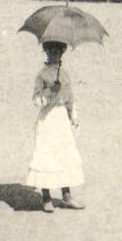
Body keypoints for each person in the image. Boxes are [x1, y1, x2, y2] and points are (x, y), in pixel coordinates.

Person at [26, 40, 84, 212]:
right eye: (50, 51)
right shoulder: (42, 75)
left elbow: (70, 97)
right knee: (47, 155)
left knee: (64, 154)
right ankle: (46, 197)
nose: (54, 55)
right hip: (47, 119)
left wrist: (72, 115)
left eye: (57, 52)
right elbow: (36, 100)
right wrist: (50, 91)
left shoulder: (64, 75)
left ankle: (66, 196)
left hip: (61, 120)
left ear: (62, 54)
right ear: (46, 53)